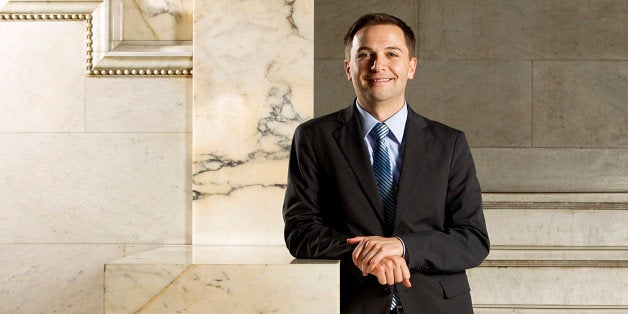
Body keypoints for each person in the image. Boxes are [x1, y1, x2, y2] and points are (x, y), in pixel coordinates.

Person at [283, 13, 489, 314]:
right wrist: (368, 253)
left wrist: (403, 246)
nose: (378, 65)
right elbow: (300, 232)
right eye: (365, 55)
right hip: (351, 303)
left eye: (392, 54)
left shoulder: (449, 143)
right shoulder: (314, 138)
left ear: (411, 67)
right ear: (348, 67)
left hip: (437, 305)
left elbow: (473, 239)